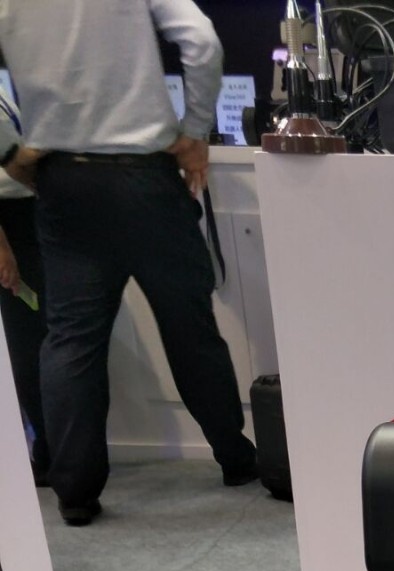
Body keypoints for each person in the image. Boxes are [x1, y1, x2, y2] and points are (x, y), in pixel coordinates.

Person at [0, 0, 256, 526]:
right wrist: (196, 131)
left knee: (70, 339)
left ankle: (75, 493)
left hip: (62, 181)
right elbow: (202, 41)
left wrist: (7, 152)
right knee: (189, 328)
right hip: (145, 179)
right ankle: (235, 458)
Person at [0, 89, 48, 484]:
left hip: (27, 217)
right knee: (29, 343)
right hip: (9, 228)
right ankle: (46, 453)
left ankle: (52, 448)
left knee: (39, 338)